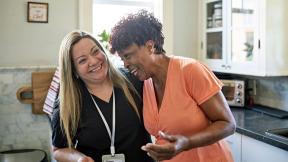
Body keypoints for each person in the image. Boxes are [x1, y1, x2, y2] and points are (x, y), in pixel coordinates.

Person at [110, 10, 236, 162]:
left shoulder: (190, 70)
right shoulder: (146, 82)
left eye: (128, 56)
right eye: (122, 58)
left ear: (150, 46)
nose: (126, 64)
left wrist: (186, 143)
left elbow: (227, 124)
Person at [51, 30, 154, 162]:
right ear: (73, 70)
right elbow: (58, 149)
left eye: (95, 51)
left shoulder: (134, 80)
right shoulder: (68, 104)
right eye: (82, 60)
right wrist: (79, 159)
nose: (93, 61)